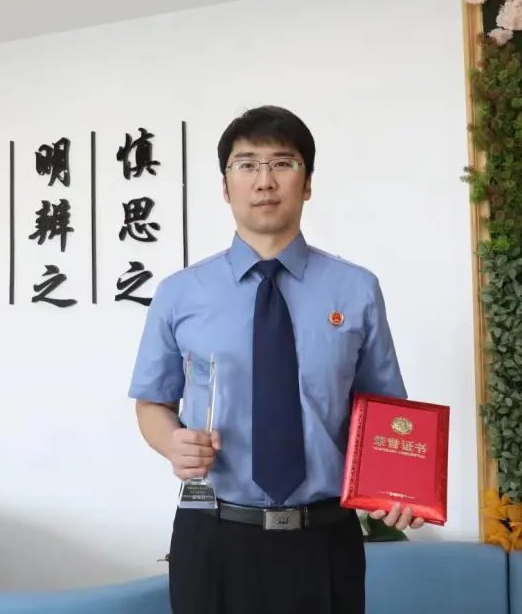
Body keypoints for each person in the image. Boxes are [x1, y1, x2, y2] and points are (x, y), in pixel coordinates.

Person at [128, 105, 424, 614]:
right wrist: (171, 442)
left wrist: (398, 486)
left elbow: (383, 410)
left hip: (324, 538)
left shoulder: (356, 289)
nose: (264, 180)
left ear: (307, 183)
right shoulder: (180, 293)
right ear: (226, 187)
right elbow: (152, 403)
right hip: (214, 535)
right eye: (246, 165)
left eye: (282, 163)